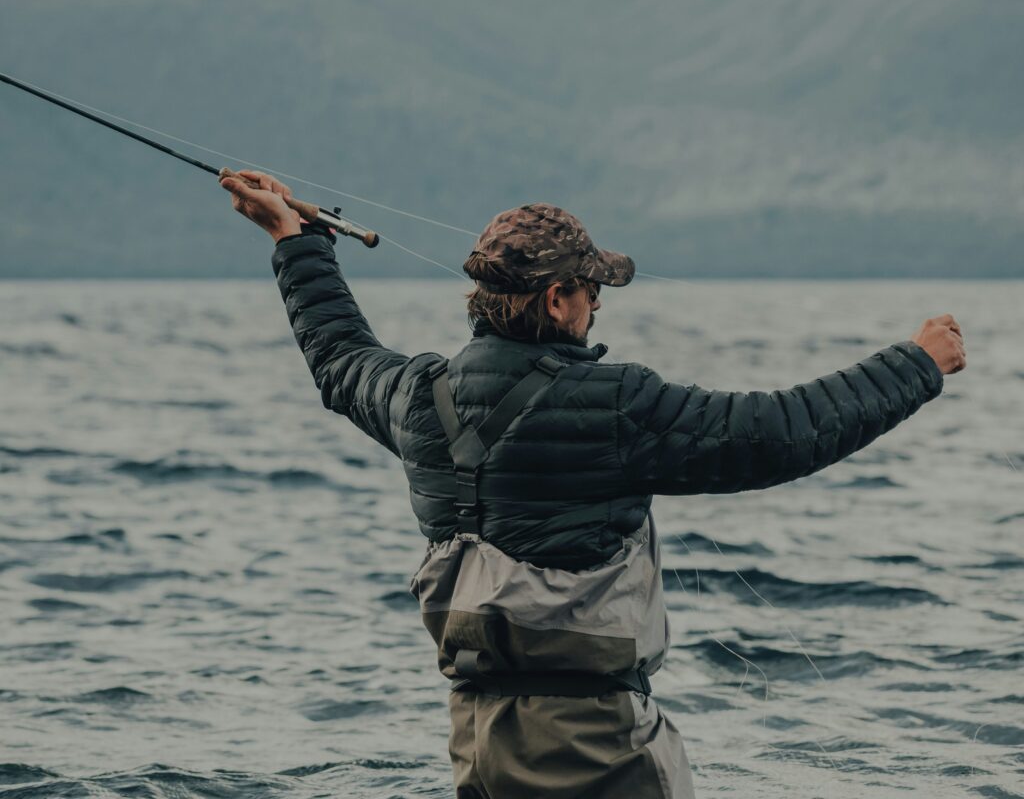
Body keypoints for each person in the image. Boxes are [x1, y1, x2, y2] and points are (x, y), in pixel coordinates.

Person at [220, 169, 966, 799]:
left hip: (476, 743)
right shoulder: (616, 405)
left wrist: (295, 239)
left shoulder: (419, 399)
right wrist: (916, 364)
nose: (597, 304)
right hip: (600, 752)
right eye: (591, 291)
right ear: (556, 300)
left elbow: (339, 356)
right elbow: (778, 434)